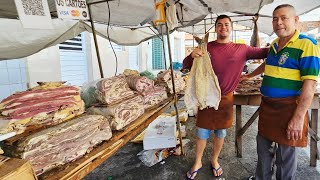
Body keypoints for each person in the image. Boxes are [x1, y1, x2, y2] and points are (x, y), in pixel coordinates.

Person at [183, 15, 269, 179]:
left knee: (221, 133)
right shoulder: (205, 47)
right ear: (216, 28)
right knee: (201, 132)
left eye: (227, 24)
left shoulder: (242, 49)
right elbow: (186, 64)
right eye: (220, 25)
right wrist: (191, 55)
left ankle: (214, 160)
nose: (223, 27)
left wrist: (285, 42)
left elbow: (265, 52)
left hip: (226, 99)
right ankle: (198, 161)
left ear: (231, 28)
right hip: (206, 97)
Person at [244, 4, 320, 180]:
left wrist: (298, 117)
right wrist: (249, 76)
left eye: (284, 18)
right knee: (263, 150)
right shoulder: (274, 44)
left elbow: (310, 85)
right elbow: (268, 64)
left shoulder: (307, 44)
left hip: (289, 107)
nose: (279, 22)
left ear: (295, 20)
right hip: (268, 106)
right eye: (275, 19)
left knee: (285, 156)